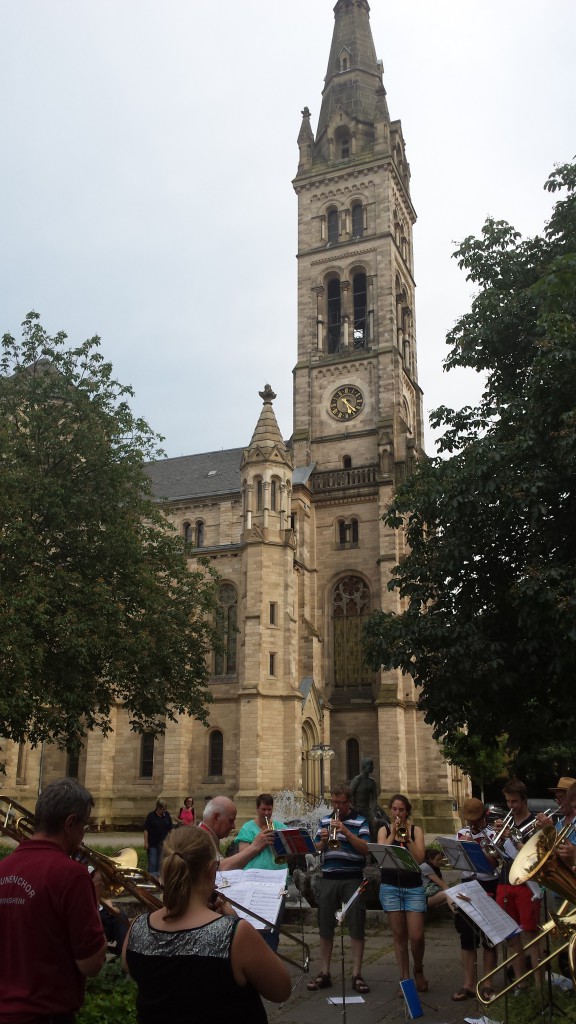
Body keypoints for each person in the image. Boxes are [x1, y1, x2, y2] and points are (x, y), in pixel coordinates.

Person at [123, 825, 291, 1023]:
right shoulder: (235, 933)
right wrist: (235, 920)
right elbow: (281, 990)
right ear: (212, 870)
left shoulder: (138, 928)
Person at [0, 778, 107, 1024]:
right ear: (70, 823)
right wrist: (95, 899)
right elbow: (91, 964)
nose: (82, 837)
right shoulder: (72, 874)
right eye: (84, 827)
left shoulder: (2, 868)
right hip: (46, 1015)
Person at [307, 783, 370, 995]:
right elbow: (315, 850)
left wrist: (346, 833)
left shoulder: (360, 821)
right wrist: (322, 843)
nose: (336, 806)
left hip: (352, 877)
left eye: (340, 802)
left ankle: (356, 974)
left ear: (348, 802)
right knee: (325, 925)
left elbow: (365, 849)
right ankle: (324, 972)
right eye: (333, 802)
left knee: (356, 925)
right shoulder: (325, 820)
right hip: (329, 877)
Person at [494, 779, 542, 988]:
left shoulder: (535, 825)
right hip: (505, 880)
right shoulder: (507, 823)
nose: (511, 806)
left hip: (526, 884)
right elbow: (498, 856)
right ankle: (520, 985)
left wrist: (513, 840)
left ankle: (540, 986)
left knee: (531, 935)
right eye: (508, 802)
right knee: (512, 937)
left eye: (515, 801)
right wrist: (495, 838)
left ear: (524, 799)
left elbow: (535, 857)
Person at [377, 794, 427, 994]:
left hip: (413, 887)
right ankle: (405, 979)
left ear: (407, 812)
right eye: (395, 810)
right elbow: (381, 855)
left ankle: (418, 969)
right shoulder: (384, 829)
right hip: (390, 886)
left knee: (416, 936)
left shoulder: (416, 830)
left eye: (401, 810)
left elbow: (420, 859)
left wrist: (407, 840)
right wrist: (393, 834)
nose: (398, 814)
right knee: (399, 936)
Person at [451, 797, 499, 1003]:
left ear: (483, 817)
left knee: (489, 937)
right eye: (468, 819)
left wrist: (478, 849)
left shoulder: (492, 834)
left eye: (475, 819)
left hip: (487, 885)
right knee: (466, 937)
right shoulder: (461, 834)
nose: (471, 824)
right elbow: (455, 861)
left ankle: (487, 983)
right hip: (466, 886)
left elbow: (494, 863)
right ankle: (468, 984)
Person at [236, 793, 289, 951]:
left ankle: (270, 959)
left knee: (274, 928)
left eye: (269, 810)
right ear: (257, 808)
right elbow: (243, 855)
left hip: (278, 882)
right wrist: (259, 842)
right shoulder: (248, 828)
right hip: (254, 883)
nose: (266, 813)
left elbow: (290, 853)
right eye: (263, 809)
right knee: (253, 927)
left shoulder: (280, 827)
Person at [200, 795, 276, 869]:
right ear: (216, 817)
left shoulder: (204, 837)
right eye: (230, 820)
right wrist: (255, 847)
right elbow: (218, 869)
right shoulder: (200, 842)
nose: (234, 826)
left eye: (269, 809)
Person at [350, 757, 388, 839]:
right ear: (364, 766)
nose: (372, 768)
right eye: (370, 766)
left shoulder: (372, 782)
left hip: (367, 809)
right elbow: (349, 794)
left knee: (374, 822)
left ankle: (373, 842)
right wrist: (352, 807)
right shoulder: (357, 780)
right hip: (357, 808)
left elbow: (374, 798)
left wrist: (373, 810)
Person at [143, 798, 173, 877]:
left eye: (165, 809)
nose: (164, 811)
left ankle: (160, 881)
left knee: (161, 863)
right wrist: (146, 842)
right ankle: (152, 880)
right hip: (153, 844)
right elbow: (146, 830)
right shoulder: (151, 816)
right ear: (158, 808)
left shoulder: (167, 815)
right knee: (152, 863)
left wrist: (173, 838)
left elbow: (171, 828)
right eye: (163, 809)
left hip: (163, 844)